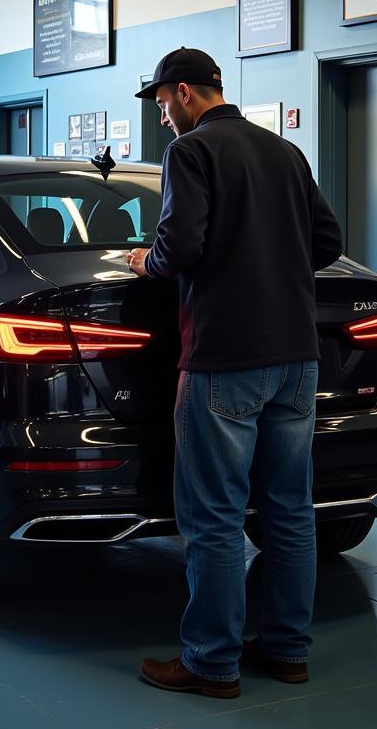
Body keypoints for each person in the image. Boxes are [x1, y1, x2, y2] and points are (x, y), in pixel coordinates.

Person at [126, 47, 343, 700]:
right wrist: (270, 256)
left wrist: (143, 261)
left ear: (186, 93)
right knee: (288, 509)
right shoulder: (285, 152)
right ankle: (286, 652)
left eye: (164, 106)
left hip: (224, 360)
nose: (164, 119)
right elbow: (327, 242)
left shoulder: (190, 153)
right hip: (296, 359)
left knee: (214, 515)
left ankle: (211, 662)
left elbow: (180, 247)